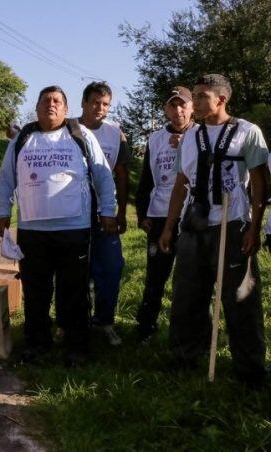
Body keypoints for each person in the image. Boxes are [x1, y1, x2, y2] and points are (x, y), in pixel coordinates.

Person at [0, 85, 117, 367]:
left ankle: (77, 347)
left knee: (73, 291)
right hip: (33, 230)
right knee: (36, 291)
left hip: (74, 228)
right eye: (46, 100)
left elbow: (102, 174)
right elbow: (5, 179)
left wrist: (108, 210)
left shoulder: (79, 134)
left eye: (57, 101)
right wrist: (3, 212)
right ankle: (37, 344)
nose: (51, 104)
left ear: (65, 108)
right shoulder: (23, 138)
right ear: (36, 107)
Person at [159, 74, 267, 387]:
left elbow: (260, 183)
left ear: (221, 99)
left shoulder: (247, 132)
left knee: (241, 299)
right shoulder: (191, 136)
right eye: (195, 95)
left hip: (232, 224)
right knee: (187, 295)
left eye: (202, 96)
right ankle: (184, 357)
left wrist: (254, 228)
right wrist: (169, 227)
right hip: (194, 224)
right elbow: (180, 184)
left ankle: (251, 371)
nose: (195, 101)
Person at [134, 87, 194, 343]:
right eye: (172, 105)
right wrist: (141, 212)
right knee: (156, 276)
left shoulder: (202, 135)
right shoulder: (155, 139)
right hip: (159, 215)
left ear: (192, 107)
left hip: (192, 214)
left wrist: (188, 147)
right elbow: (146, 178)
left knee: (190, 279)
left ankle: (186, 332)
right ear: (166, 109)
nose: (178, 110)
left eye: (183, 105)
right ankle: (146, 326)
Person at [77, 81, 131, 345]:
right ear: (84, 103)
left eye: (106, 104)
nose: (100, 108)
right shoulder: (67, 129)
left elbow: (121, 174)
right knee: (74, 271)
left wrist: (121, 212)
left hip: (105, 213)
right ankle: (71, 324)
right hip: (72, 214)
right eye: (95, 102)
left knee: (111, 267)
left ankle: (105, 321)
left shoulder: (115, 133)